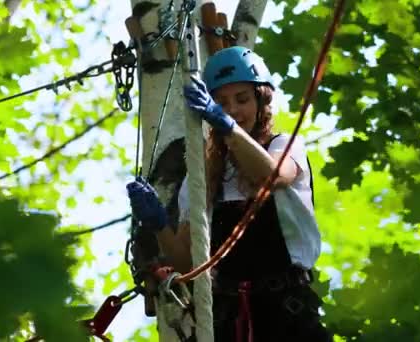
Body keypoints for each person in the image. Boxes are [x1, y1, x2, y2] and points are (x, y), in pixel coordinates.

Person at [127, 46, 332, 342]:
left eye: (242, 99)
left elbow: (272, 176)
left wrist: (227, 127)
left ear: (262, 101)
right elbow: (187, 262)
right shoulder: (204, 177)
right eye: (221, 103)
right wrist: (159, 224)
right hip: (229, 318)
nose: (233, 109)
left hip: (287, 314)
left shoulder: (284, 146)